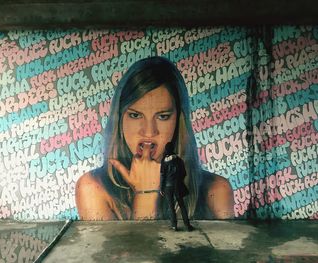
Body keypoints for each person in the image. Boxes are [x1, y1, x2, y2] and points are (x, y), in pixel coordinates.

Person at [75, 56, 234, 220]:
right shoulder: (92, 187)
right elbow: (139, 247)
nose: (149, 132)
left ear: (178, 121)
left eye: (163, 116)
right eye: (135, 115)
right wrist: (146, 193)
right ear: (119, 119)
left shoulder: (216, 190)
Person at [160, 142, 194, 231]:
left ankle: (174, 226)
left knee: (171, 207)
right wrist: (179, 181)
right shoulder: (179, 160)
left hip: (167, 186)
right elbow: (184, 173)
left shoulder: (164, 161)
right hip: (177, 186)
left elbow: (163, 175)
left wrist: (161, 188)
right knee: (182, 205)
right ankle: (187, 225)